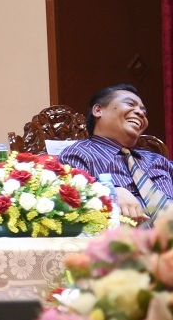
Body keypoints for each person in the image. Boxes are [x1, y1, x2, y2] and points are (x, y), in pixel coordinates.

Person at [60, 84, 173, 225]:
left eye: (143, 110)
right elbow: (73, 197)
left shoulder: (156, 159)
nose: (140, 113)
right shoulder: (78, 153)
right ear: (98, 110)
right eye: (130, 104)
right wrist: (109, 191)